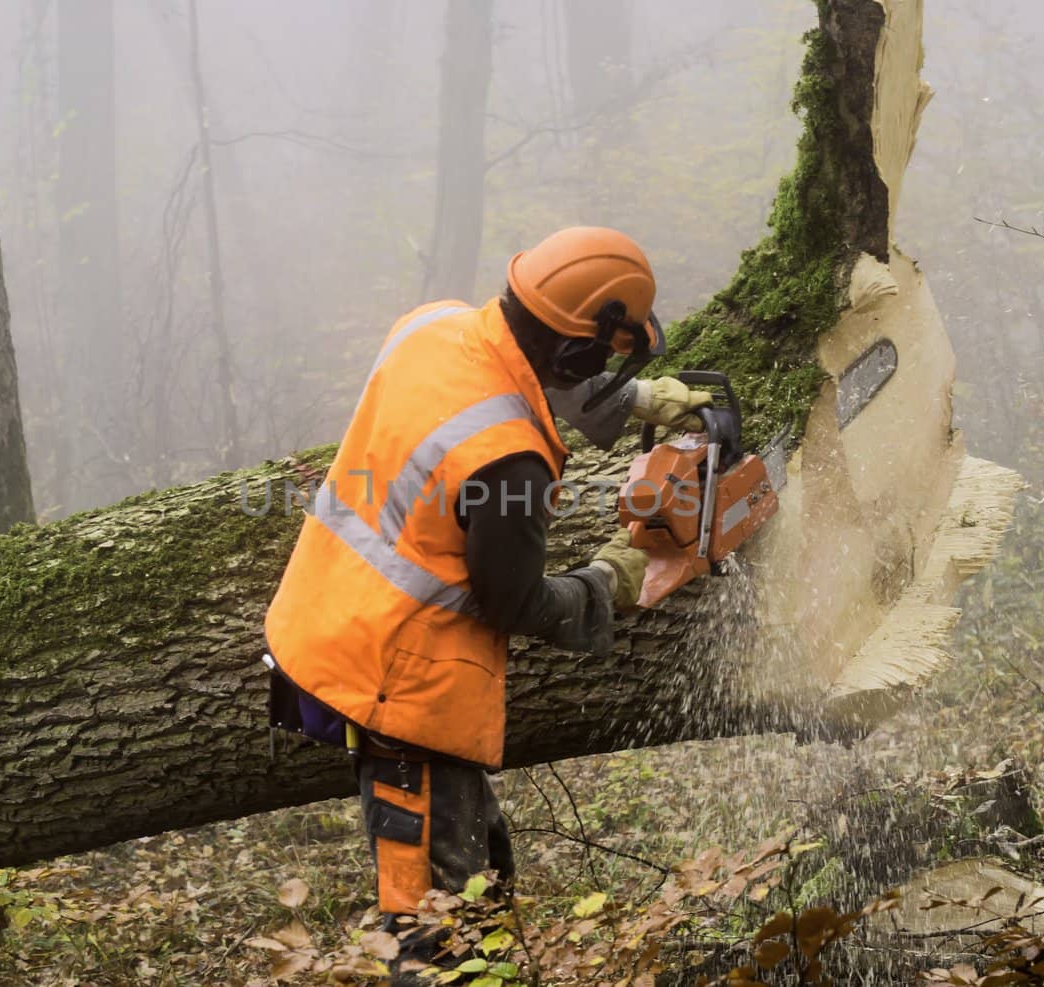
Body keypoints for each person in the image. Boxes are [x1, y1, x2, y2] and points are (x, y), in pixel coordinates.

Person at [262, 226, 711, 980]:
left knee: (482, 876)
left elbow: (518, 362)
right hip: (399, 683)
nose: (602, 367)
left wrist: (634, 401)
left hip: (331, 620)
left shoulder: (434, 325)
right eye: (604, 357)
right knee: (435, 929)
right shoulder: (508, 457)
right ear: (574, 346)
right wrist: (610, 580)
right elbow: (514, 600)